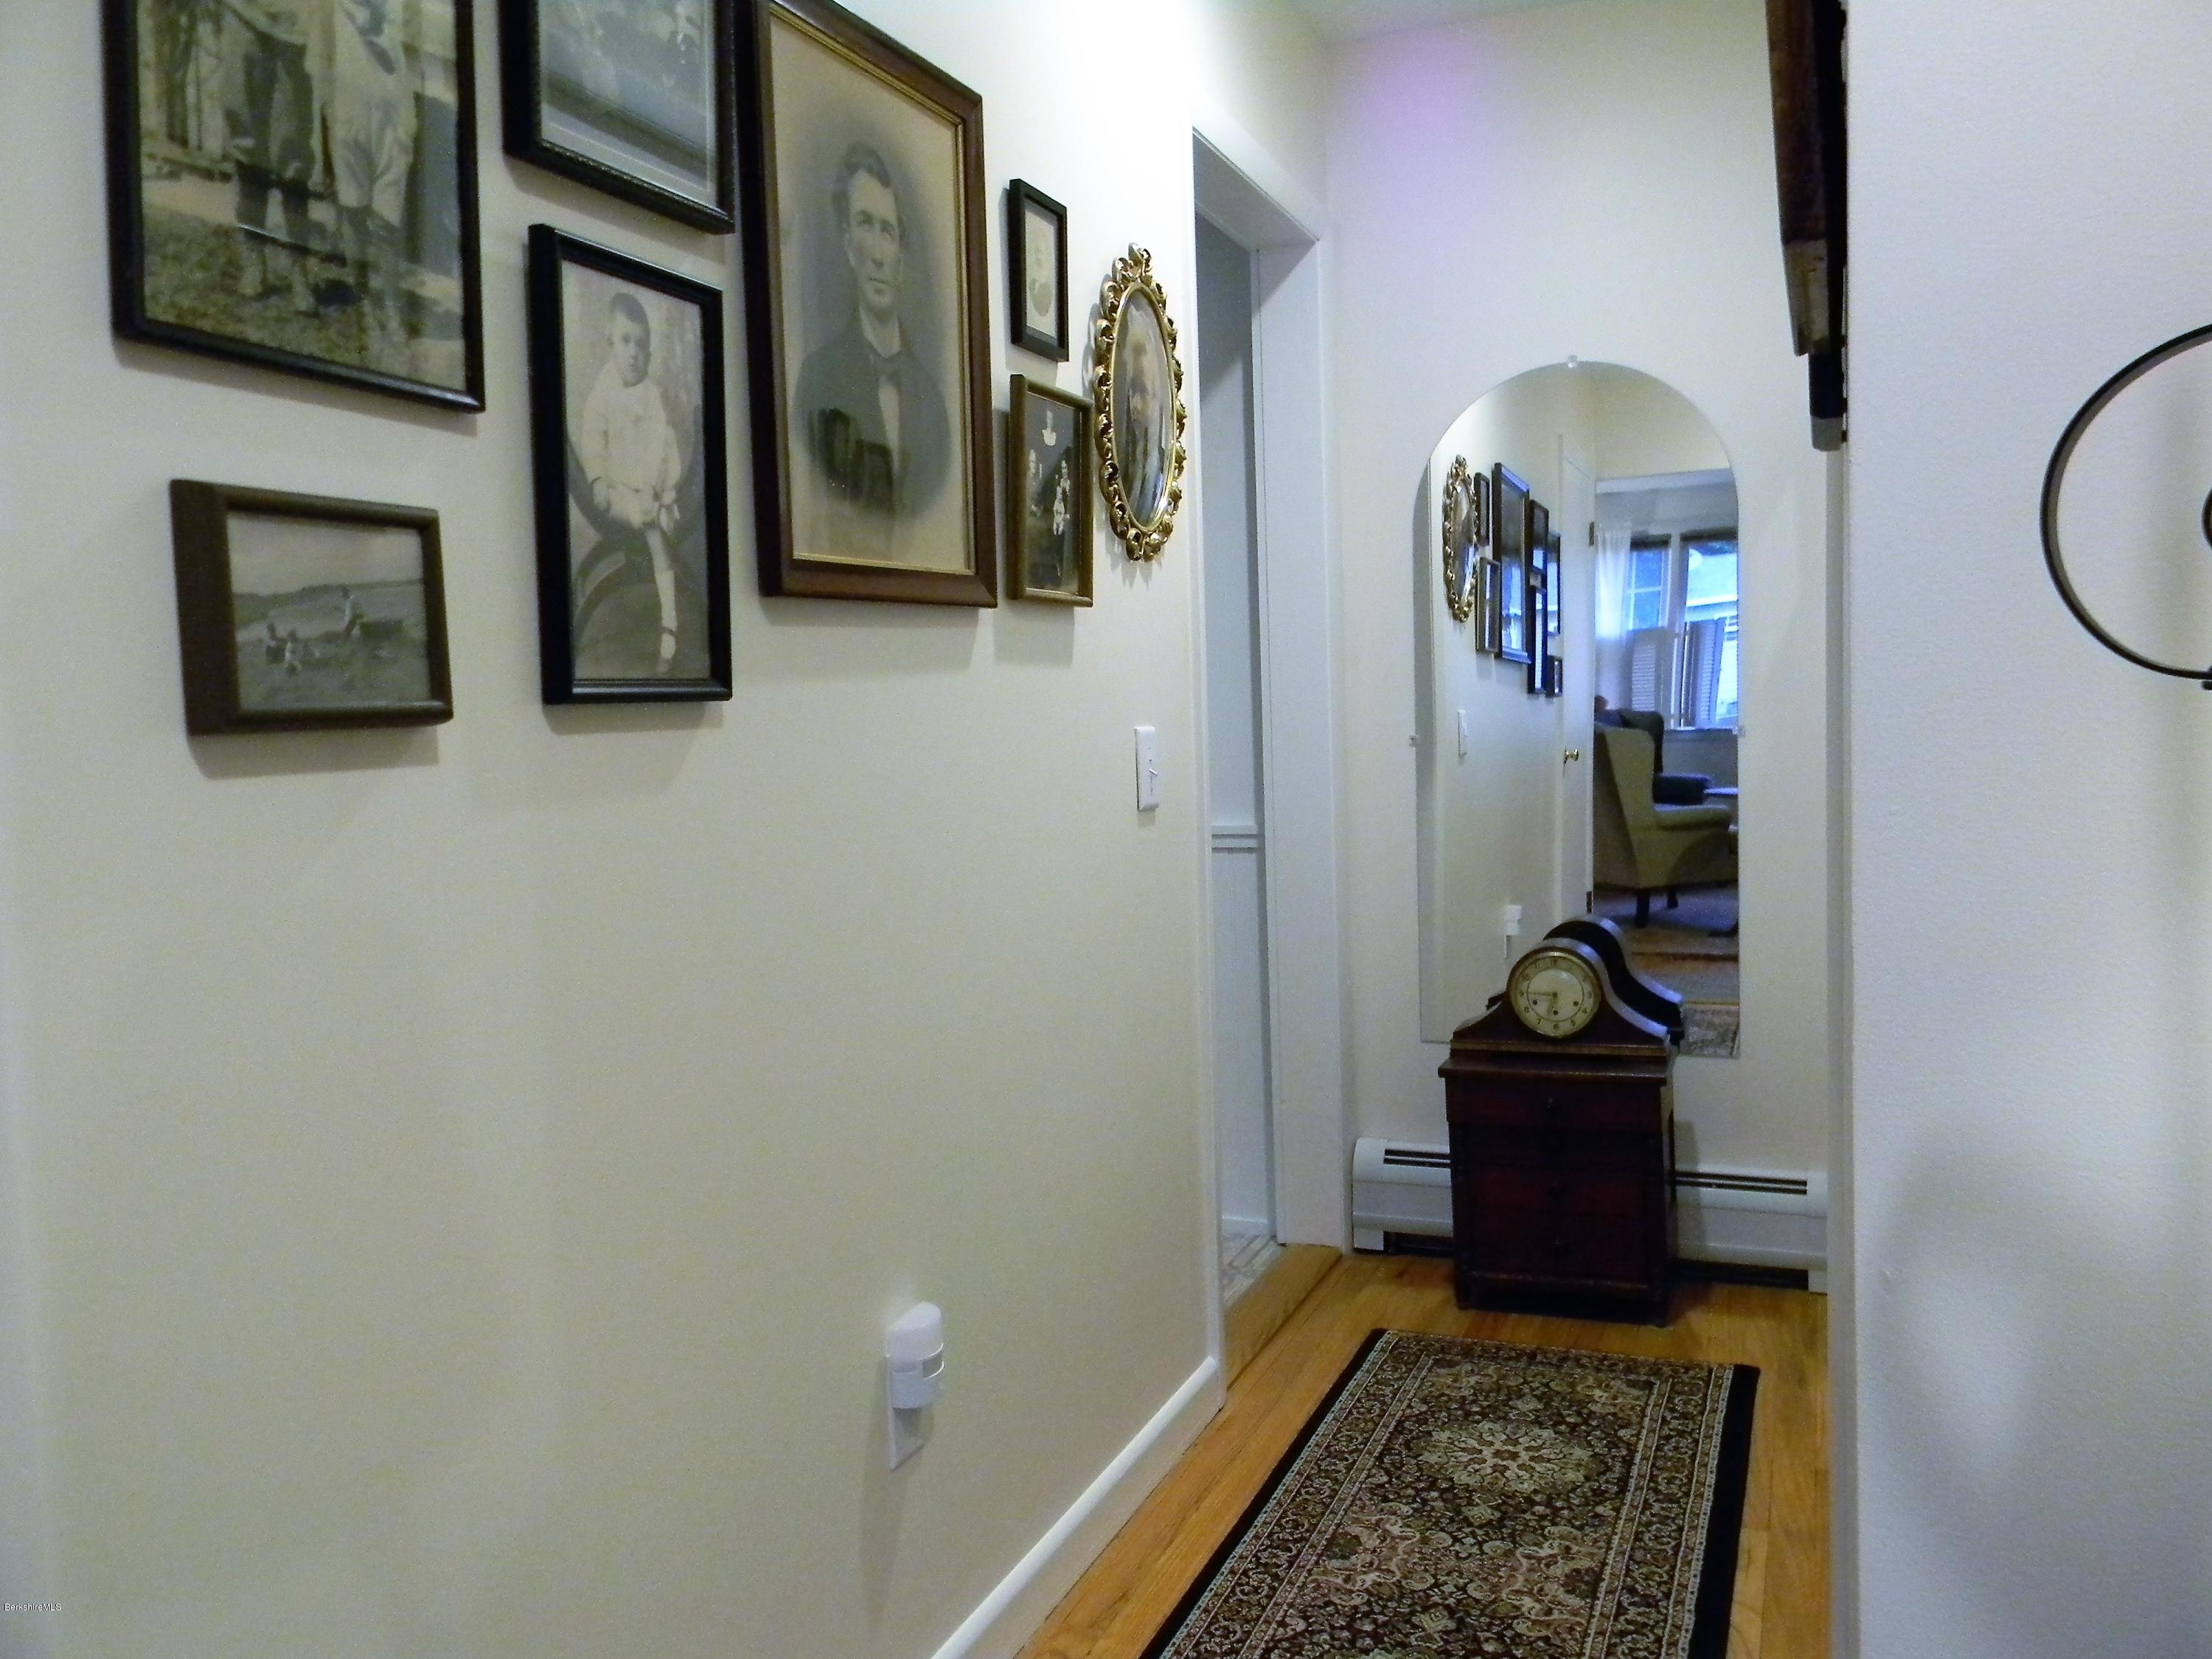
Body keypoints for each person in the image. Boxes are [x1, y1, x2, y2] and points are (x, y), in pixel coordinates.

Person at [794, 143, 952, 532]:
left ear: (902, 257)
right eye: (865, 224)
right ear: (848, 246)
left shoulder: (933, 402)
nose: (878, 255)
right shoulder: (818, 379)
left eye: (888, 231)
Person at [579, 291, 684, 672]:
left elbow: (659, 446)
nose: (633, 353)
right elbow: (593, 441)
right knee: (646, 521)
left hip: (648, 486)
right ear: (610, 342)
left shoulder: (651, 395)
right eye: (626, 341)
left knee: (657, 529)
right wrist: (597, 480)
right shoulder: (601, 395)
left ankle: (668, 624)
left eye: (641, 344)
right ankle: (649, 515)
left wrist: (655, 488)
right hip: (618, 490)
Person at [318, 0, 421, 341]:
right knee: (353, 214)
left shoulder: (393, 14)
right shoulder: (332, 14)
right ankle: (362, 300)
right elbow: (322, 67)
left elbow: (408, 58)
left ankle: (392, 309)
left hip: (391, 117)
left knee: (387, 224)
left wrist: (407, 124)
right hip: (349, 116)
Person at [222, 1, 319, 316]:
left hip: (292, 30)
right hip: (242, 17)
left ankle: (299, 274)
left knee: (292, 155)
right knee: (248, 145)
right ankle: (255, 262)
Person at [1120, 321, 1169, 525]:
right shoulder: (1121, 465)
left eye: (1144, 392)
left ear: (1158, 400)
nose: (1136, 405)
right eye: (1133, 390)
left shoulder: (1163, 474)